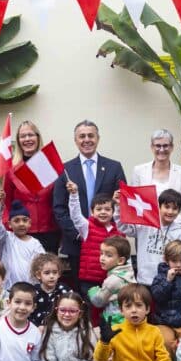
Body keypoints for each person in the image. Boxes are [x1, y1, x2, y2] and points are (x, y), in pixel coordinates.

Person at [52, 120, 126, 282]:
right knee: (82, 291)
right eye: (82, 136)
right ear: (76, 140)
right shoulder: (65, 170)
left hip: (109, 243)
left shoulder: (114, 167)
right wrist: (78, 234)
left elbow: (122, 203)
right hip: (78, 243)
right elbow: (59, 208)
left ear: (98, 138)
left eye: (91, 135)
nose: (87, 140)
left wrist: (110, 234)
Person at [2, 121, 60, 252]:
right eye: (23, 136)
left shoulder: (50, 164)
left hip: (50, 231)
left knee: (47, 271)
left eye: (30, 135)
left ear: (38, 138)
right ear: (18, 141)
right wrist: (9, 226)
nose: (27, 139)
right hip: (22, 231)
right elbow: (6, 203)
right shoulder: (11, 169)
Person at [115, 188, 181, 286]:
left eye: (174, 208)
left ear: (179, 211)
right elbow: (124, 227)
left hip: (166, 282)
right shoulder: (145, 224)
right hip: (143, 280)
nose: (170, 211)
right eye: (167, 207)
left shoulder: (180, 234)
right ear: (159, 206)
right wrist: (119, 206)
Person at [66, 178, 122, 298]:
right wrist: (74, 195)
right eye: (99, 209)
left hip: (111, 280)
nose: (103, 212)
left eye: (107, 209)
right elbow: (75, 215)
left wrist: (118, 204)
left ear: (113, 212)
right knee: (91, 312)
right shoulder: (87, 227)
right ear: (92, 212)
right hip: (89, 281)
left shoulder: (119, 229)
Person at [132, 129, 181, 227]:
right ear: (152, 147)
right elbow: (134, 203)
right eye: (158, 145)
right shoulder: (139, 171)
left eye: (165, 145)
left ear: (172, 147)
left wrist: (170, 226)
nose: (161, 149)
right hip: (146, 228)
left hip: (173, 231)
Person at [0, 197, 44, 288]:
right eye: (16, 220)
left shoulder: (35, 243)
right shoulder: (5, 239)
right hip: (9, 289)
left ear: (30, 223)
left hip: (31, 289)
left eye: (25, 220)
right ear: (9, 224)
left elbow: (42, 265)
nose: (21, 224)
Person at [87, 236, 136, 328]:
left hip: (115, 320)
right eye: (101, 253)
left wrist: (92, 291)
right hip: (127, 316)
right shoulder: (128, 272)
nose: (102, 258)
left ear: (121, 260)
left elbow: (98, 301)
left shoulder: (113, 280)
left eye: (108, 255)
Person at [28, 253, 71, 328]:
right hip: (36, 328)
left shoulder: (64, 289)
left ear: (59, 274)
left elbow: (73, 306)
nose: (52, 276)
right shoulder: (33, 291)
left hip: (59, 328)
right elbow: (28, 312)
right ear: (38, 275)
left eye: (55, 272)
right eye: (47, 273)